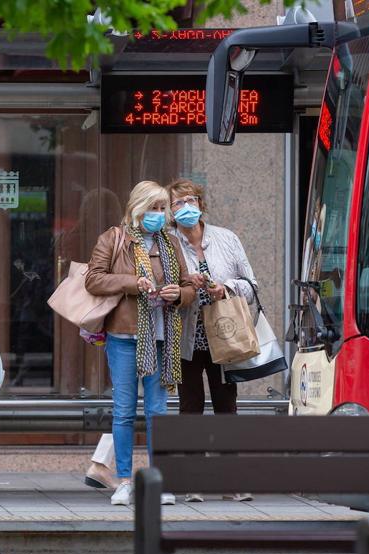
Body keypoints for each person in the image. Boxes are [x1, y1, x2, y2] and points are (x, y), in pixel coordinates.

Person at [85, 181, 195, 506]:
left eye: (162, 209)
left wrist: (179, 294)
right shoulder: (114, 238)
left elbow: (188, 286)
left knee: (158, 412)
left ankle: (157, 480)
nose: (158, 215)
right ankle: (123, 481)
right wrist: (133, 283)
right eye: (153, 208)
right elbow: (94, 278)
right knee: (123, 412)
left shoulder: (171, 243)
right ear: (136, 208)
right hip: (123, 338)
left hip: (161, 338)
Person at [168, 178, 257, 503]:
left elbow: (252, 284)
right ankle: (193, 480)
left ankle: (231, 479)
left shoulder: (226, 238)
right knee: (190, 407)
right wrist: (185, 284)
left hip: (224, 336)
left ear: (201, 204)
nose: (184, 208)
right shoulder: (168, 241)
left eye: (189, 200)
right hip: (187, 337)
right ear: (170, 211)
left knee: (226, 407)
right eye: (177, 203)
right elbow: (163, 283)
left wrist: (226, 287)